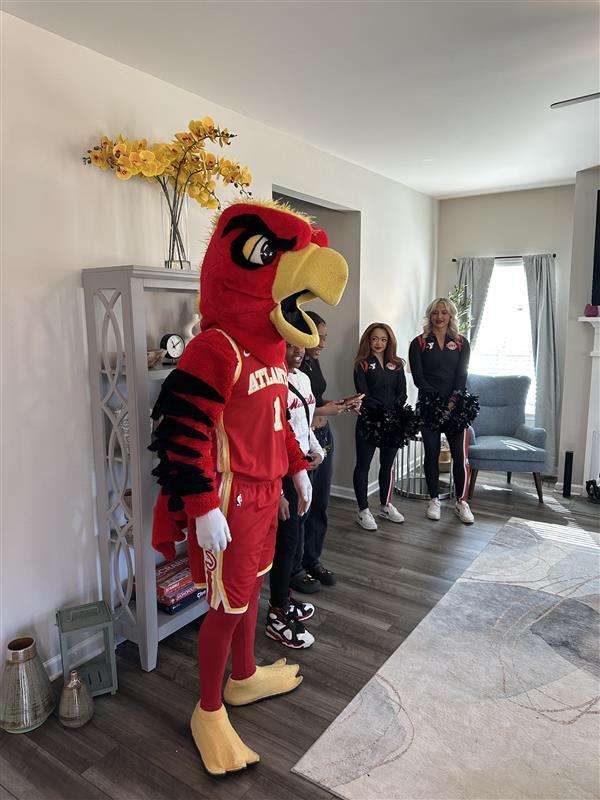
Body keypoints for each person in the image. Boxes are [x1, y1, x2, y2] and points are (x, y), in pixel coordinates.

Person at [290, 311, 362, 593]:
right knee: (302, 506)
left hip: (321, 436)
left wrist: (340, 404)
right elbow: (295, 411)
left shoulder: (312, 364)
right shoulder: (291, 368)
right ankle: (294, 568)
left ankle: (312, 560)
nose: (323, 344)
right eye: (318, 338)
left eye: (325, 337)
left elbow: (315, 401)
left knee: (320, 504)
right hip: (303, 440)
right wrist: (325, 410)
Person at [266, 342, 326, 648]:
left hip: (302, 465)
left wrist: (317, 451)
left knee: (296, 539)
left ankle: (285, 600)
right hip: (283, 473)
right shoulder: (272, 382)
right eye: (289, 346)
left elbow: (302, 427)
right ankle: (277, 611)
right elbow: (271, 438)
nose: (297, 351)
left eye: (301, 346)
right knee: (285, 542)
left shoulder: (303, 379)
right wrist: (278, 490)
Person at [408, 297, 475, 524]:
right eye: (435, 312)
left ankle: (461, 503)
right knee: (432, 453)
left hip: (456, 406)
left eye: (444, 313)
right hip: (429, 406)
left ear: (451, 316)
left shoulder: (461, 342)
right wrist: (436, 400)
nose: (439, 317)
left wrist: (452, 401)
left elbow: (462, 375)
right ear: (430, 315)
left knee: (459, 455)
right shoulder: (418, 343)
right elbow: (418, 377)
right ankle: (434, 499)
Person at [352, 323, 407, 531]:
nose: (379, 343)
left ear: (389, 342)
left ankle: (385, 505)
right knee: (363, 465)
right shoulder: (362, 364)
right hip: (369, 421)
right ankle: (363, 510)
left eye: (383, 340)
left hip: (393, 422)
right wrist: (382, 410)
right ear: (368, 339)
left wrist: (394, 410)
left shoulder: (398, 364)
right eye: (375, 338)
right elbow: (363, 393)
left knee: (387, 465)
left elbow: (403, 392)